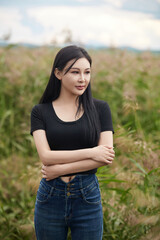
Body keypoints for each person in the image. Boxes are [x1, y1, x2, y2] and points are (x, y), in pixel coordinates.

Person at [30, 45, 115, 240]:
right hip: (50, 196)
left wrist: (59, 170)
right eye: (75, 72)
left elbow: (106, 157)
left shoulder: (101, 109)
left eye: (87, 72)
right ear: (58, 73)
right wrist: (92, 152)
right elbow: (46, 156)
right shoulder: (40, 111)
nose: (82, 79)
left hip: (87, 195)